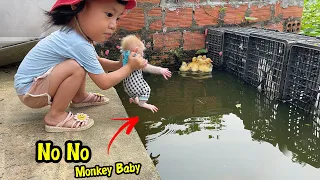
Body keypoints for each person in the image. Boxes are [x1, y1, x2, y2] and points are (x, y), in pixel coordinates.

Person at [13, 0, 147, 132]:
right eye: (109, 15)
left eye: (117, 18)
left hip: (32, 87)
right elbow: (104, 82)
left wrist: (119, 64)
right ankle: (55, 116)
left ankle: (80, 97)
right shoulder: (77, 43)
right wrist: (129, 67)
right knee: (75, 67)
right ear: (77, 7)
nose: (113, 25)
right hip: (31, 92)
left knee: (79, 64)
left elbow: (96, 63)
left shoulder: (76, 36)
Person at [120, 35, 172, 113]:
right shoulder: (136, 60)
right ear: (135, 51)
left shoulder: (125, 57)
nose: (143, 55)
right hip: (134, 87)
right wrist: (160, 70)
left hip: (127, 88)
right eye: (141, 52)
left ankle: (134, 99)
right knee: (146, 89)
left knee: (138, 93)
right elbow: (147, 68)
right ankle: (143, 104)